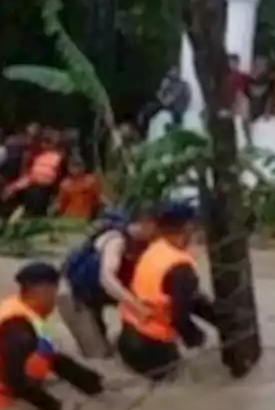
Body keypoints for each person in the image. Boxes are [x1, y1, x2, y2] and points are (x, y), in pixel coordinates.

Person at [0, 262, 106, 410]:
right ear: (43, 291)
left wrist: (92, 383)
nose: (56, 300)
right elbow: (14, 381)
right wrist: (56, 407)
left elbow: (48, 356)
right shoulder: (18, 330)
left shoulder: (22, 307)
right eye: (54, 292)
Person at [116, 204, 218, 381]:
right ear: (187, 229)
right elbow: (180, 319)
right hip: (151, 349)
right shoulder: (181, 267)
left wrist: (218, 320)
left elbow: (189, 302)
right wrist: (198, 339)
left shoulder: (154, 249)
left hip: (127, 337)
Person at [59, 206, 160, 358]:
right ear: (146, 223)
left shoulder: (146, 245)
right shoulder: (116, 240)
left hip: (103, 293)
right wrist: (136, 306)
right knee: (98, 354)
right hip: (76, 293)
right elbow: (107, 279)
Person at [2, 129, 64, 217]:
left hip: (46, 190)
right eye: (44, 142)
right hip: (33, 187)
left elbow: (59, 177)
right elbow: (30, 176)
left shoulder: (59, 157)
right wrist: (13, 187)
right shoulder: (38, 156)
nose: (45, 145)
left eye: (48, 142)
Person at [56, 156, 103, 221]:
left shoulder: (91, 181)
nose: (77, 170)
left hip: (86, 216)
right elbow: (62, 204)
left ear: (84, 167)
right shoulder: (65, 185)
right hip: (69, 217)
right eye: (74, 167)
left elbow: (97, 201)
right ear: (69, 169)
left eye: (79, 166)